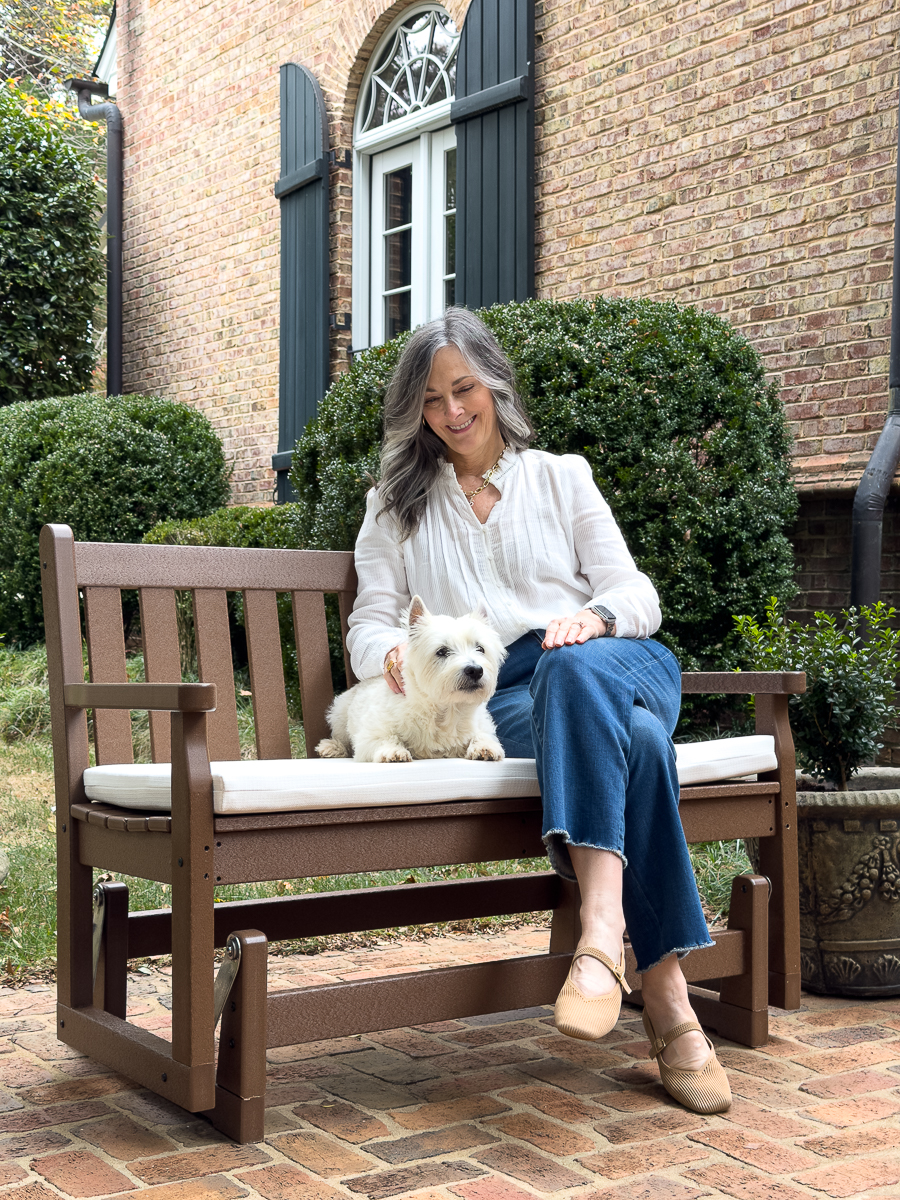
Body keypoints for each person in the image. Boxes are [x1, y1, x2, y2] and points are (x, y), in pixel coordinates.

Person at [345, 307, 731, 1114]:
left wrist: (594, 620)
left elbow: (635, 593)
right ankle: (668, 1004)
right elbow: (372, 619)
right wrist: (382, 654)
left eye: (465, 389)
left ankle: (598, 936)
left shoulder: (562, 476)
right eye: (431, 401)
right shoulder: (395, 505)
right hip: (501, 696)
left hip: (616, 659)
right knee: (635, 745)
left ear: (494, 382)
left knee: (579, 675)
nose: (453, 412)